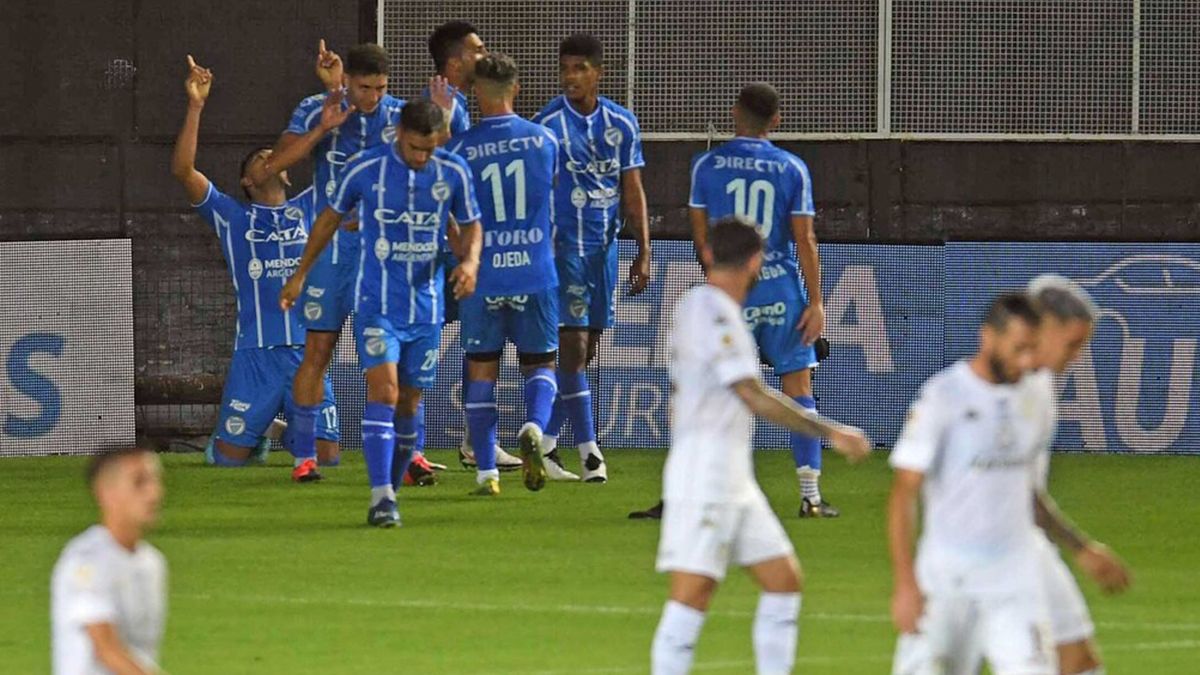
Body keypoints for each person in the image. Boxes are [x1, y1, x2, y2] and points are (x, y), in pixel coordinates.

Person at [651, 216, 871, 675]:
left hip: (732, 475)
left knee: (783, 580)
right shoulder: (710, 310)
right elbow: (751, 393)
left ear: (707, 254)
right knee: (693, 593)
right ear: (757, 262)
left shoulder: (703, 307)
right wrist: (831, 433)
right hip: (706, 473)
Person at [250, 42, 453, 487]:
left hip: (387, 262)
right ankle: (304, 457)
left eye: (381, 88)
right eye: (365, 87)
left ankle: (411, 453)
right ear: (350, 82)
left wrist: (444, 122)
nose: (373, 97)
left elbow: (439, 169)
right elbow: (267, 170)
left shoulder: (402, 118)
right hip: (332, 257)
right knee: (318, 353)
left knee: (395, 365)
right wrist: (323, 128)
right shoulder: (318, 108)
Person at [281, 99, 482, 527]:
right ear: (398, 135)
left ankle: (390, 486)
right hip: (376, 305)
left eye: (428, 149)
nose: (421, 157)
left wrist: (470, 262)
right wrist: (300, 274)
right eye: (414, 148)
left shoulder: (453, 173)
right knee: (385, 392)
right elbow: (328, 219)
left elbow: (471, 225)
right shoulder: (364, 169)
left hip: (426, 309)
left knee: (409, 402)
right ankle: (381, 495)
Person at [171, 56, 341, 480]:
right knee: (226, 463)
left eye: (274, 156)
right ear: (247, 181)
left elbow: (342, 155)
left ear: (286, 172)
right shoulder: (233, 217)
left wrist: (334, 85)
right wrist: (195, 106)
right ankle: (260, 431)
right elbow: (183, 170)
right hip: (256, 354)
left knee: (330, 457)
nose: (270, 159)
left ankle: (284, 431)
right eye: (259, 159)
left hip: (308, 348)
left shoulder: (311, 205)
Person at [888, 293, 1056, 674]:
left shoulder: (1036, 395)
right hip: (946, 580)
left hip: (1015, 580)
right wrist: (905, 584)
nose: (1027, 361)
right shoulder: (943, 397)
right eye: (1018, 349)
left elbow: (1030, 492)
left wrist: (1080, 549)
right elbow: (903, 494)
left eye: (1033, 349)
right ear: (988, 337)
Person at [690, 82, 831, 517]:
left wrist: (716, 279)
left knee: (714, 390)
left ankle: (703, 494)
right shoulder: (791, 168)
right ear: (776, 120)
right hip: (780, 289)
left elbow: (700, 235)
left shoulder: (707, 165)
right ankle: (810, 494)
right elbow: (804, 237)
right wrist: (816, 302)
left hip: (733, 291)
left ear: (735, 113)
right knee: (798, 389)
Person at [533, 32, 653, 483]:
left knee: (588, 350)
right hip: (563, 251)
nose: (571, 77)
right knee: (574, 349)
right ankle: (590, 454)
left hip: (605, 251)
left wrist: (644, 250)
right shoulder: (547, 125)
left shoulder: (622, 124)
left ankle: (544, 445)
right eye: (565, 68)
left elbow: (633, 188)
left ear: (598, 73)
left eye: (580, 68)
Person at [446, 53, 566, 494]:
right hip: (534, 269)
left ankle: (486, 472)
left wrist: (462, 253)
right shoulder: (545, 140)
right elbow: (552, 198)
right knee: (541, 363)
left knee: (481, 370)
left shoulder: (459, 149)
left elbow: (450, 215)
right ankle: (534, 426)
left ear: (476, 92)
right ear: (515, 89)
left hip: (484, 275)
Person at [423, 21, 522, 473]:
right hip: (446, 249)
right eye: (478, 49)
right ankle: (429, 444)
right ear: (457, 60)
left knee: (477, 344)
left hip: (459, 246)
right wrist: (458, 243)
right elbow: (438, 174)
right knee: (423, 340)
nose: (486, 54)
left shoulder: (459, 105)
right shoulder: (445, 108)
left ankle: (475, 440)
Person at [1025, 275, 1132, 675]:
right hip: (994, 548)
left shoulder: (1040, 385)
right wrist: (1082, 547)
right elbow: (1017, 491)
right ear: (1040, 326)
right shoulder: (1015, 390)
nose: (1077, 356)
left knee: (1077, 661)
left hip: (1025, 542)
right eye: (1072, 344)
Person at [52, 448, 167, 675]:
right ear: (106, 492)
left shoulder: (152, 562)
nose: (154, 493)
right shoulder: (86, 562)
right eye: (139, 482)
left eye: (156, 480)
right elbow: (106, 649)